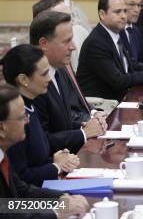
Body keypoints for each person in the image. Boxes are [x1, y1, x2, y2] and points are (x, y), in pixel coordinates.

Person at [0, 85, 89, 219]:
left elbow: (21, 192)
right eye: (21, 117)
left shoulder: (3, 155)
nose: (27, 121)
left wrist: (61, 199)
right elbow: (5, 211)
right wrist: (55, 213)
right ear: (2, 128)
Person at [2, 45, 81, 187]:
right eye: (44, 74)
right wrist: (56, 167)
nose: (50, 79)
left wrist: (54, 160)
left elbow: (36, 157)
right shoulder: (14, 118)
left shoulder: (31, 105)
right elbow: (21, 181)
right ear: (23, 79)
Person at [30, 11, 106, 154]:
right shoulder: (33, 82)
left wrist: (85, 124)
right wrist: (83, 133)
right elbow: (41, 141)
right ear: (43, 44)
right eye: (66, 41)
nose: (73, 47)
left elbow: (62, 122)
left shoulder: (60, 69)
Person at [32, 0, 90, 72]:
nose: (70, 24)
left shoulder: (79, 33)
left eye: (70, 17)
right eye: (63, 19)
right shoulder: (40, 72)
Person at [118, 0, 143, 64]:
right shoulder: (115, 31)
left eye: (139, 5)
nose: (137, 10)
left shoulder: (136, 30)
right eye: (132, 4)